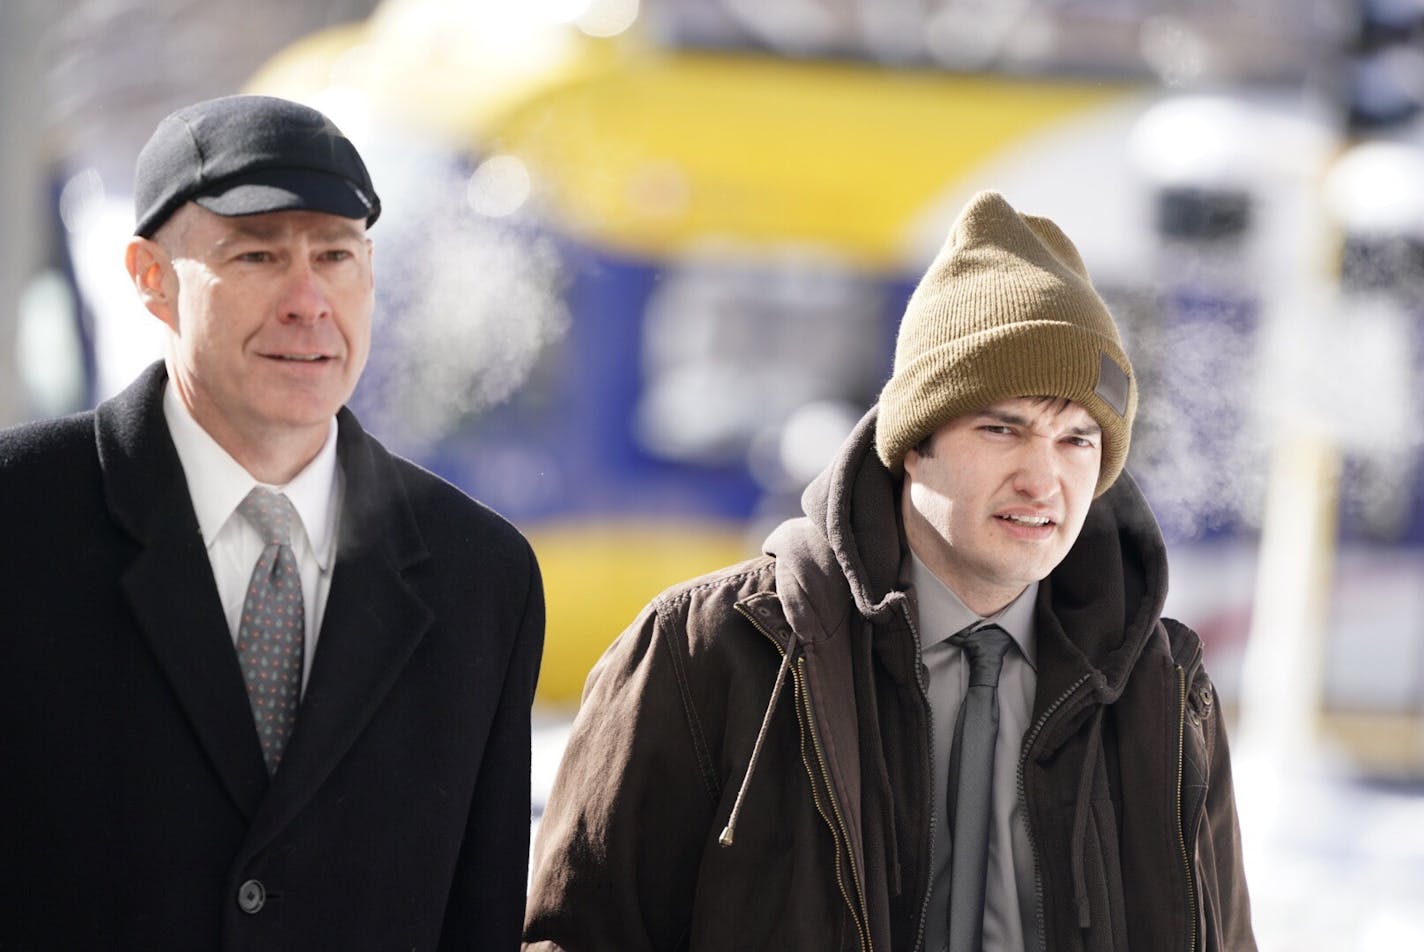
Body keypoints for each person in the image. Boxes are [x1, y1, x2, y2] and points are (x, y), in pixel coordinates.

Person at [524, 191, 1254, 951]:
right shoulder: (709, 651)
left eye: (1077, 441)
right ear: (912, 443)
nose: (1044, 480)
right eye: (1003, 429)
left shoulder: (1166, 692)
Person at [0, 94, 544, 950]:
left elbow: (476, 920)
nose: (308, 300)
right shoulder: (20, 519)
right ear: (151, 278)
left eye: (336, 256)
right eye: (256, 255)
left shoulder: (481, 575)